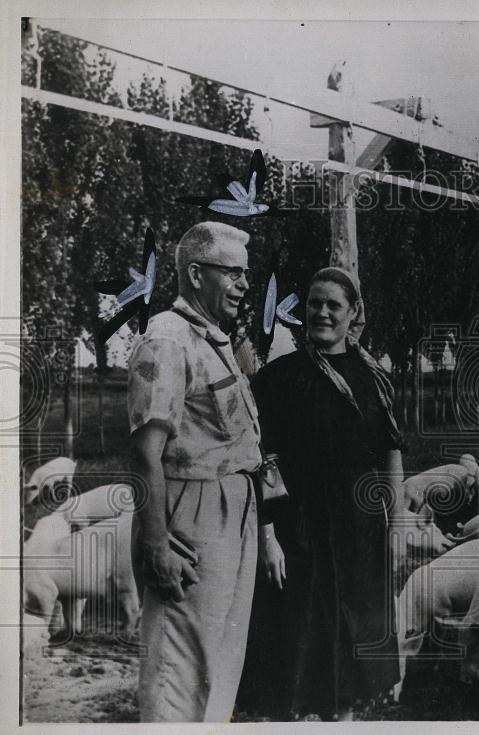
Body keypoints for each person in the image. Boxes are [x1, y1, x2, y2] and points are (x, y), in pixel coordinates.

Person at [127, 221, 280, 722]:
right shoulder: (167, 339)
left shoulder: (213, 339)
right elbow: (146, 452)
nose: (244, 285)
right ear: (196, 274)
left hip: (233, 513)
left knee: (219, 666)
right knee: (177, 669)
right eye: (232, 273)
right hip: (192, 516)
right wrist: (155, 543)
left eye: (245, 275)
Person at [249, 266, 405, 721]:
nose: (321, 312)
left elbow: (391, 455)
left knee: (354, 644)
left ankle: (345, 721)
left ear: (354, 312)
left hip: (359, 532)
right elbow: (262, 460)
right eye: (314, 303)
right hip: (299, 531)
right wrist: (267, 536)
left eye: (333, 305)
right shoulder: (279, 378)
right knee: (299, 636)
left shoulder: (373, 379)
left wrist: (397, 526)